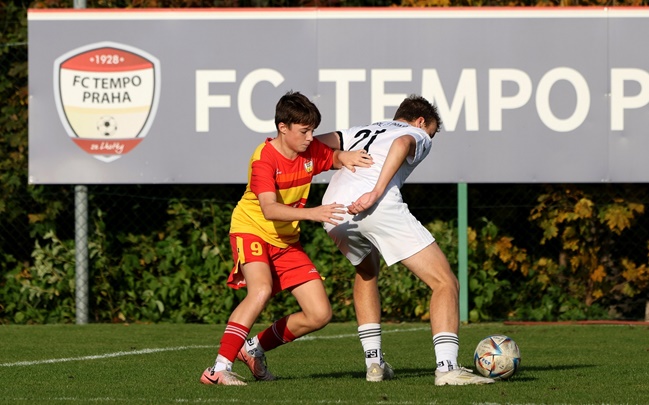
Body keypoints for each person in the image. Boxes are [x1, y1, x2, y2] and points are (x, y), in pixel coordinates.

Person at [318, 95, 495, 386]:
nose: (429, 139)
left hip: (333, 211)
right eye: (431, 133)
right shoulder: (414, 133)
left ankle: (374, 365)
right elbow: (403, 145)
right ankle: (448, 369)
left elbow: (314, 145)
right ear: (421, 121)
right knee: (444, 282)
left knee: (367, 271)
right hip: (374, 205)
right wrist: (375, 192)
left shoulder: (361, 130)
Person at [199, 90, 373, 386]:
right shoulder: (264, 159)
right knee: (261, 290)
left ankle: (252, 349)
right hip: (251, 228)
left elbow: (330, 157)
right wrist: (315, 213)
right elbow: (268, 209)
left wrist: (346, 156)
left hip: (285, 240)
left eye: (312, 131)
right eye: (304, 131)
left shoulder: (308, 151)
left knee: (319, 314)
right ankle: (217, 369)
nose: (310, 137)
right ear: (283, 128)